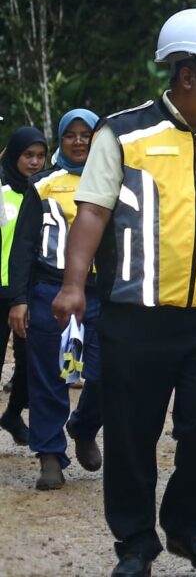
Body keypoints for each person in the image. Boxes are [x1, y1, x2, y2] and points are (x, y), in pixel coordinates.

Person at [52, 8, 196, 577]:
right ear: (186, 76)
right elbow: (92, 210)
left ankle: (188, 527)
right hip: (135, 316)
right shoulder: (122, 134)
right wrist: (73, 284)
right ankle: (136, 543)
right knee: (131, 433)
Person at [4, 110, 102, 489]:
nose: (78, 142)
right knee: (48, 373)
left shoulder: (115, 182)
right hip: (49, 289)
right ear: (61, 141)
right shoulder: (42, 184)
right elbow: (24, 245)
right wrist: (19, 299)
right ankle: (49, 454)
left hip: (100, 294)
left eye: (86, 135)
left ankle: (85, 426)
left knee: (105, 373)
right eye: (70, 135)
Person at [0, 125, 45, 447]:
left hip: (27, 292)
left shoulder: (41, 191)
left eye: (40, 156)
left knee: (31, 362)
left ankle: (13, 414)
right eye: (28, 155)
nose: (34, 162)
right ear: (15, 154)